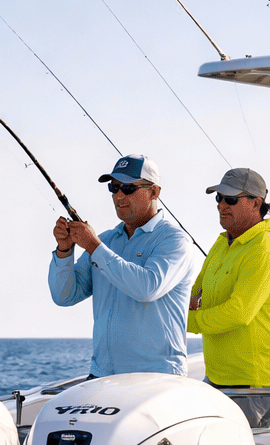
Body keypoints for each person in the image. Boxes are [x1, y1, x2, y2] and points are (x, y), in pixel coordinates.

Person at [50, 154, 196, 377]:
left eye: (128, 188)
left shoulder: (174, 240)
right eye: (114, 187)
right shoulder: (105, 241)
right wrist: (64, 251)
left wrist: (94, 247)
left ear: (154, 192)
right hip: (102, 375)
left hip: (157, 377)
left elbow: (147, 288)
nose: (119, 195)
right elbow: (64, 296)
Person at [188, 167, 270, 423]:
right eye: (219, 198)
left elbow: (239, 312)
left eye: (231, 199)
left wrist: (184, 321)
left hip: (254, 385)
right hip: (219, 378)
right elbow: (195, 290)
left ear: (256, 203)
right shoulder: (222, 243)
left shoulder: (264, 250)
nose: (222, 205)